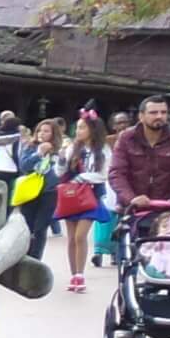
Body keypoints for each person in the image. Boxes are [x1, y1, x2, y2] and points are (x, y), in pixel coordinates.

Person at [109, 94, 170, 221]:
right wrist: (131, 198)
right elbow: (116, 173)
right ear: (141, 116)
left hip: (168, 208)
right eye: (153, 113)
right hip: (132, 208)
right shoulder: (126, 138)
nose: (159, 116)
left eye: (163, 112)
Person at [56, 111, 110, 289]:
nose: (78, 131)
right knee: (71, 238)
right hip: (72, 195)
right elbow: (60, 172)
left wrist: (82, 178)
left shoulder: (102, 150)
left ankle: (80, 274)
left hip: (90, 195)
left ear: (93, 129)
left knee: (81, 236)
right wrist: (61, 158)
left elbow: (103, 174)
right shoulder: (73, 148)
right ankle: (74, 275)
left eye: (82, 127)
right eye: (77, 128)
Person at [20, 119, 62, 268]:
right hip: (31, 191)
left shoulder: (59, 150)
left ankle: (35, 261)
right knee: (27, 227)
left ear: (53, 134)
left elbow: (62, 171)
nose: (41, 134)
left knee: (40, 228)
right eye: (39, 130)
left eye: (46, 131)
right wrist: (38, 153)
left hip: (49, 192)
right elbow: (24, 166)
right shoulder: (31, 147)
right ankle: (23, 257)